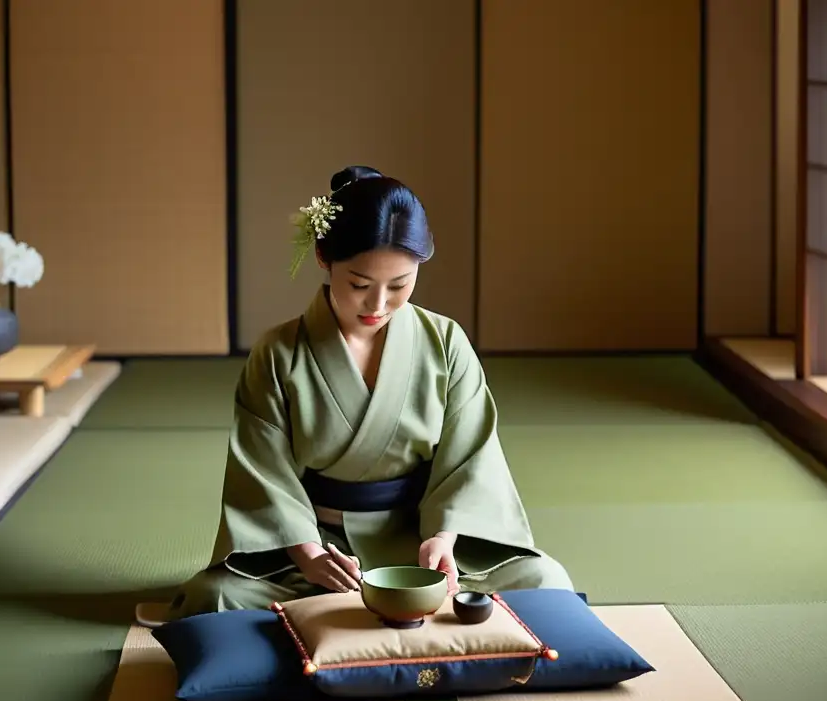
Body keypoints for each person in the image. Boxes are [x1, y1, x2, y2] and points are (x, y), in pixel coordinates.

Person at [161, 165, 575, 622]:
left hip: (419, 538)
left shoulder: (445, 343)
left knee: (546, 584)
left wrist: (444, 538)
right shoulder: (278, 353)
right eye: (359, 285)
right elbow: (263, 471)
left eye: (399, 285)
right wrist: (308, 554)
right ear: (324, 258)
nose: (378, 305)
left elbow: (472, 457)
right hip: (318, 548)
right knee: (214, 598)